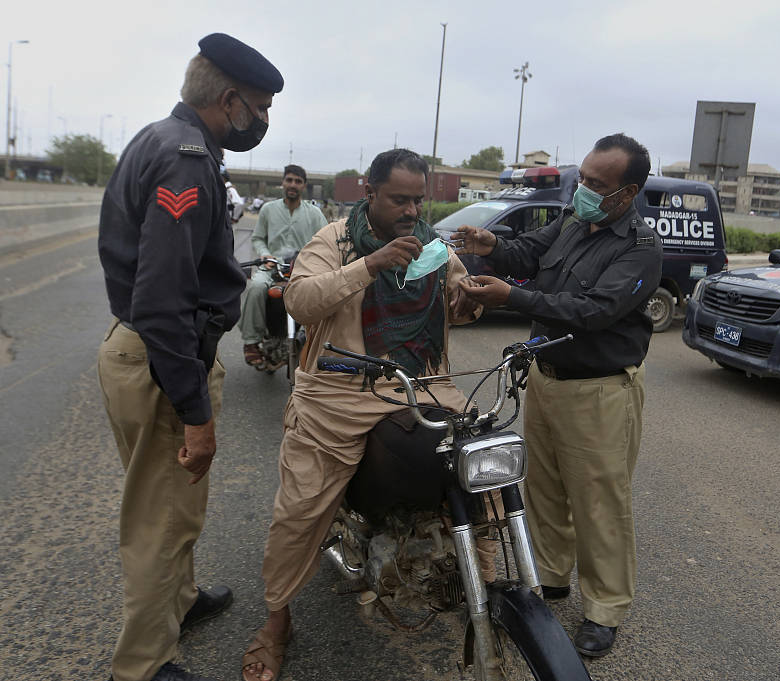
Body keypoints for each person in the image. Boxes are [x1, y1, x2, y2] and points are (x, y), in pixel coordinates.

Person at [241, 149, 481, 681]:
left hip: (421, 384)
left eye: (419, 199)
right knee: (300, 511)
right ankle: (276, 620)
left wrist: (467, 299)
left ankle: (481, 584)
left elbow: (462, 298)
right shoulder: (334, 240)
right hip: (338, 392)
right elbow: (300, 302)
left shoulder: (434, 245)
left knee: (480, 466)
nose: (411, 210)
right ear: (369, 192)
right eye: (400, 198)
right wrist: (370, 265)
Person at [96, 33, 282, 681]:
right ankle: (145, 664)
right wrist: (196, 412)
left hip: (139, 354)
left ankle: (179, 601)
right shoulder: (185, 160)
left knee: (168, 502)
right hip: (161, 360)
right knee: (160, 519)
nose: (263, 121)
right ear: (230, 101)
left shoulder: (161, 138)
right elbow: (163, 301)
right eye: (260, 107)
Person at [454, 133, 662, 658]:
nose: (583, 189)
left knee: (599, 502)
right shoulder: (573, 220)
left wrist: (512, 296)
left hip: (599, 391)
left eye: (597, 183)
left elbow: (592, 311)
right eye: (583, 177)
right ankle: (551, 577)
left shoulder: (640, 248)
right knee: (543, 490)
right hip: (547, 379)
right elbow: (532, 249)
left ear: (627, 192)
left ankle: (605, 608)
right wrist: (492, 247)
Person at [239, 164, 326, 366]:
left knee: (321, 294)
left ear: (304, 186)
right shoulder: (268, 209)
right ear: (283, 183)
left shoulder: (314, 213)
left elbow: (325, 242)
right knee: (256, 287)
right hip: (272, 265)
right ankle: (251, 342)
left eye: (298, 181)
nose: (293, 184)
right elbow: (258, 238)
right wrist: (265, 254)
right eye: (289, 180)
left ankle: (312, 339)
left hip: (303, 269)